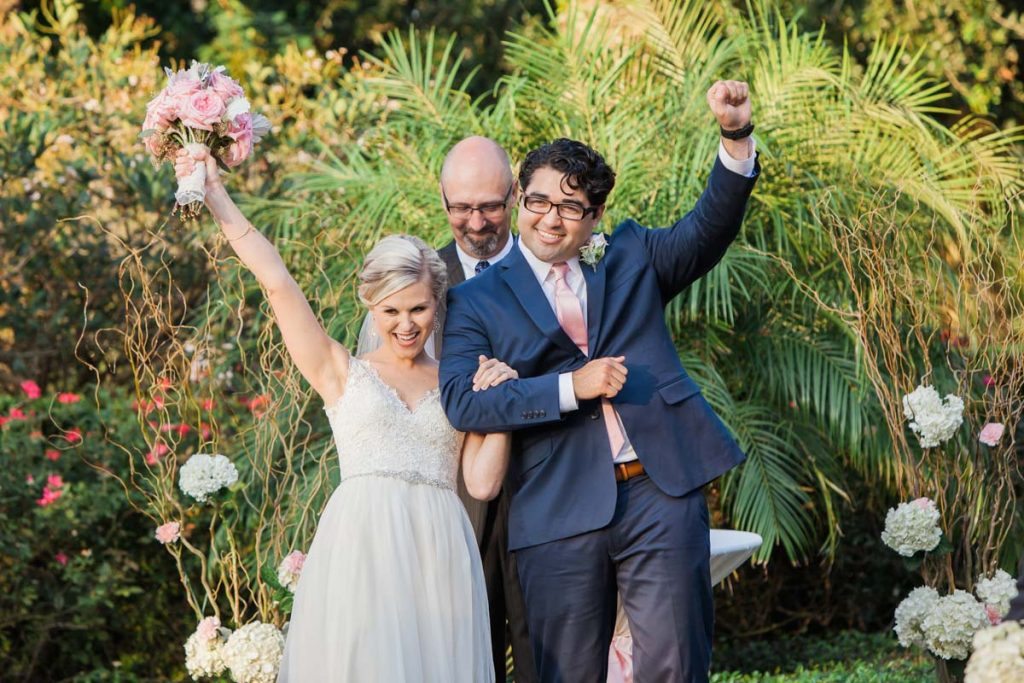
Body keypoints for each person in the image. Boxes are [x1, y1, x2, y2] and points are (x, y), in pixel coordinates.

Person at [439, 80, 760, 682]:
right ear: (519, 198)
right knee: (567, 672)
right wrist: (571, 387)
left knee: (677, 662)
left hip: (660, 490)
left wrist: (735, 136)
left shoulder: (630, 254)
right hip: (555, 503)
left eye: (569, 208)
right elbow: (460, 401)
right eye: (538, 201)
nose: (549, 219)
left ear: (595, 216)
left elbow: (707, 230)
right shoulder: (476, 300)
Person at [173, 148, 516, 681]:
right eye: (391, 310)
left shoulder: (457, 381)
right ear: (371, 307)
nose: (406, 325)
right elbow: (276, 280)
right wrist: (216, 194)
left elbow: (482, 483)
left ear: (438, 303)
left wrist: (500, 404)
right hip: (362, 549)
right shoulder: (339, 371)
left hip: (441, 554)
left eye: (419, 308)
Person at [358, 135, 537, 682]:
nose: (476, 223)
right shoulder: (416, 284)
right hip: (453, 513)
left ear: (514, 194)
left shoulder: (550, 267)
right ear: (441, 198)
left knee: (547, 659)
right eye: (461, 208)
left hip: (543, 496)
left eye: (490, 206)